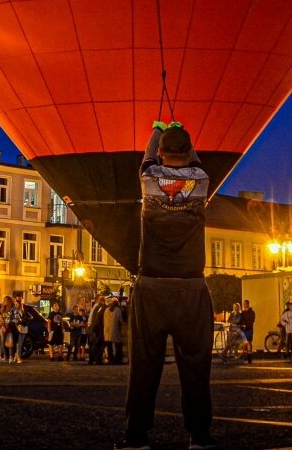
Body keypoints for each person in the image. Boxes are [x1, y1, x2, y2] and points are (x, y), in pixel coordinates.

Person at [120, 120, 214, 450]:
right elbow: (197, 162)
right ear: (188, 152)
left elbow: (147, 159)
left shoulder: (149, 180)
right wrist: (181, 132)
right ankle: (200, 436)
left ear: (161, 153)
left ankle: (136, 436)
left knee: (144, 365)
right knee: (196, 366)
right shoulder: (201, 181)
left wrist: (156, 131)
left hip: (152, 285)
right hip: (191, 286)